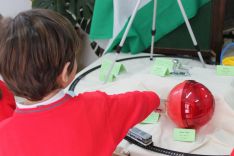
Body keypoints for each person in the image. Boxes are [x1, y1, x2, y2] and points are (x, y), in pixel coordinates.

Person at [0, 9, 160, 156]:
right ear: (65, 73)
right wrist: (155, 99)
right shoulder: (97, 107)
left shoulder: (3, 134)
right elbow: (138, 102)